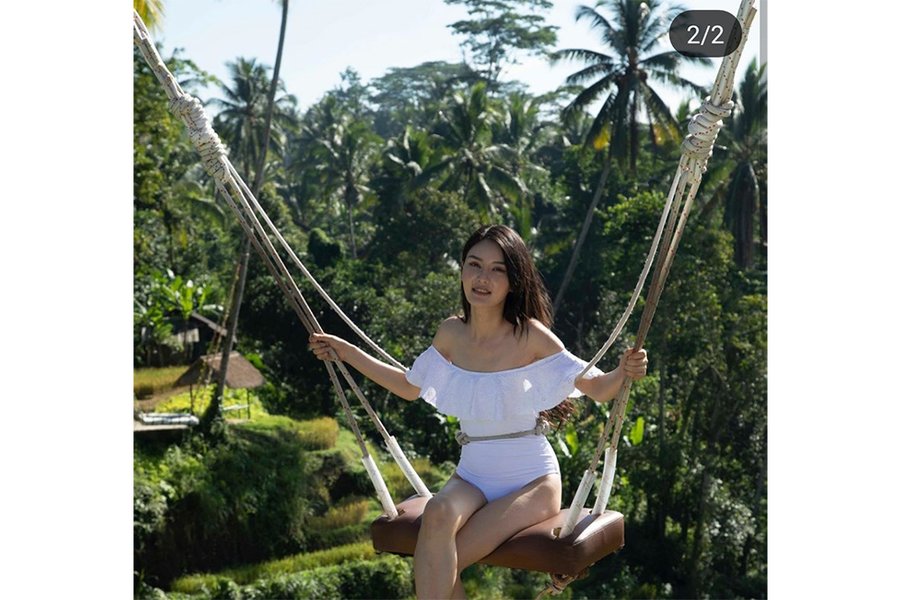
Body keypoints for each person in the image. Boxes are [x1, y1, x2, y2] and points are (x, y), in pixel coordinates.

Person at [309, 224, 648, 599]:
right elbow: (409, 386)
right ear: (462, 271)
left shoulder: (529, 335)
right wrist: (346, 351)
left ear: (513, 282)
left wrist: (624, 371)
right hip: (472, 476)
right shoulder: (451, 333)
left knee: (443, 560)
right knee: (437, 514)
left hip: (533, 482)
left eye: (497, 270)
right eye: (474, 264)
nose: (482, 278)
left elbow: (597, 388)